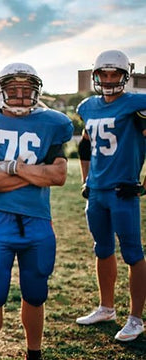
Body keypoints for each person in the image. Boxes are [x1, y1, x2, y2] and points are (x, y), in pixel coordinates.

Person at [0, 63, 73, 360]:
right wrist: (36, 174)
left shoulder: (52, 123)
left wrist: (13, 168)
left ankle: (34, 355)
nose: (21, 96)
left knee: (36, 293)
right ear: (0, 92)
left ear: (36, 93)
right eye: (14, 90)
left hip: (38, 221)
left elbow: (59, 176)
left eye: (26, 91)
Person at [75, 49, 146, 342]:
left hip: (123, 190)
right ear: (95, 76)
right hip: (98, 191)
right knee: (101, 249)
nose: (108, 79)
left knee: (132, 253)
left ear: (124, 76)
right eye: (103, 74)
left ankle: (136, 318)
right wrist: (85, 179)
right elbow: (84, 145)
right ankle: (106, 308)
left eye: (114, 73)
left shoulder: (137, 104)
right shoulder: (87, 107)